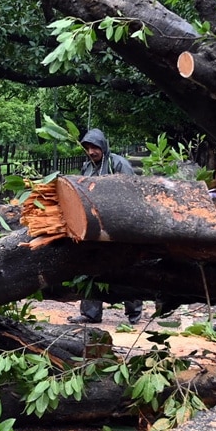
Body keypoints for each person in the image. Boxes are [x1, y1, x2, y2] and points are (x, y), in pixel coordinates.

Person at [66, 127, 146, 325]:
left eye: (95, 147)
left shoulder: (118, 164)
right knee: (90, 266)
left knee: (124, 266)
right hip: (93, 226)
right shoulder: (87, 167)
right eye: (88, 148)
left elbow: (131, 190)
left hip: (117, 225)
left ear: (103, 146)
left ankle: (134, 310)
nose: (91, 152)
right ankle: (90, 313)